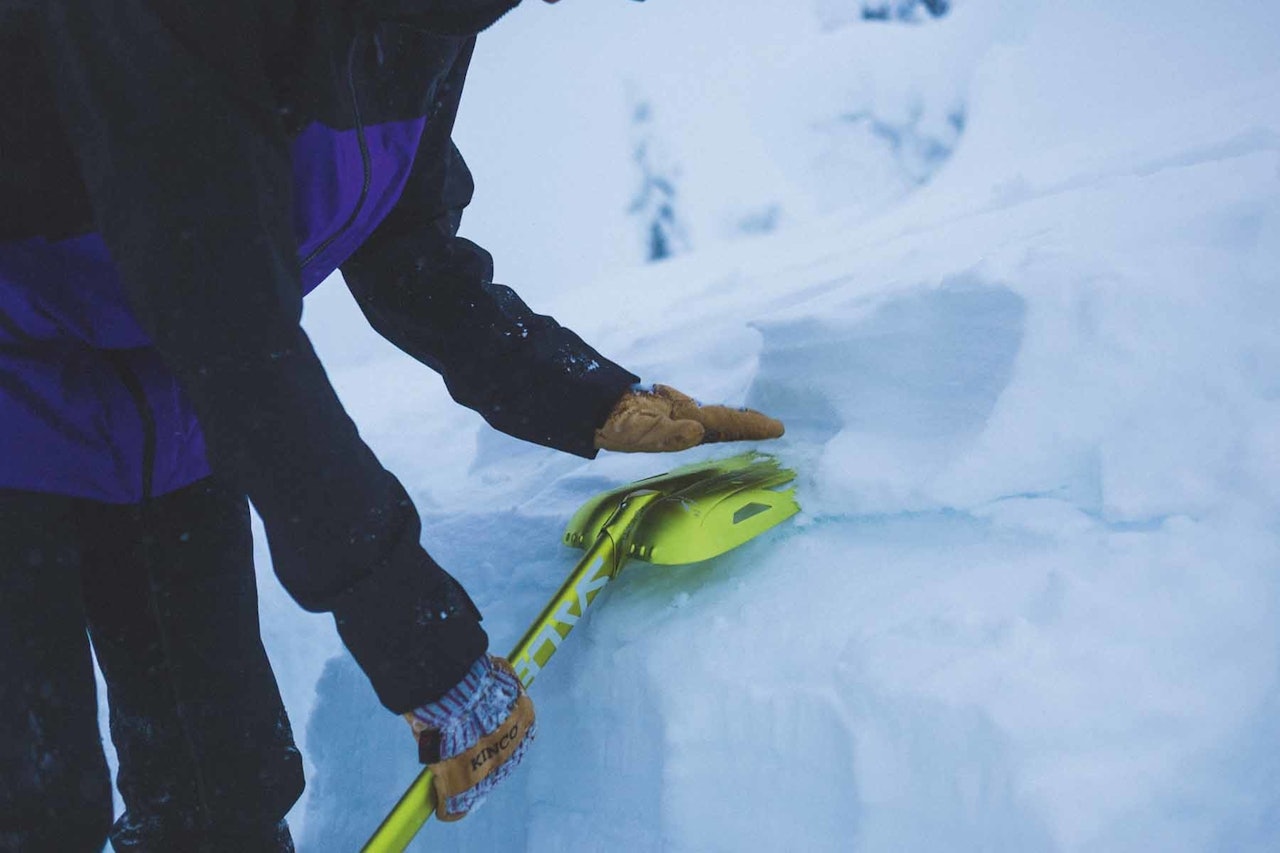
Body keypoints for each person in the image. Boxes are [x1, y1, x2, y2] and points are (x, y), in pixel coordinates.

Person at [0, 1, 784, 850]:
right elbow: (229, 320)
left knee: (220, 792)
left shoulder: (425, 23)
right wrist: (418, 641)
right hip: (60, 365)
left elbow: (404, 247)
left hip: (163, 394)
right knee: (35, 804)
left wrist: (588, 397)